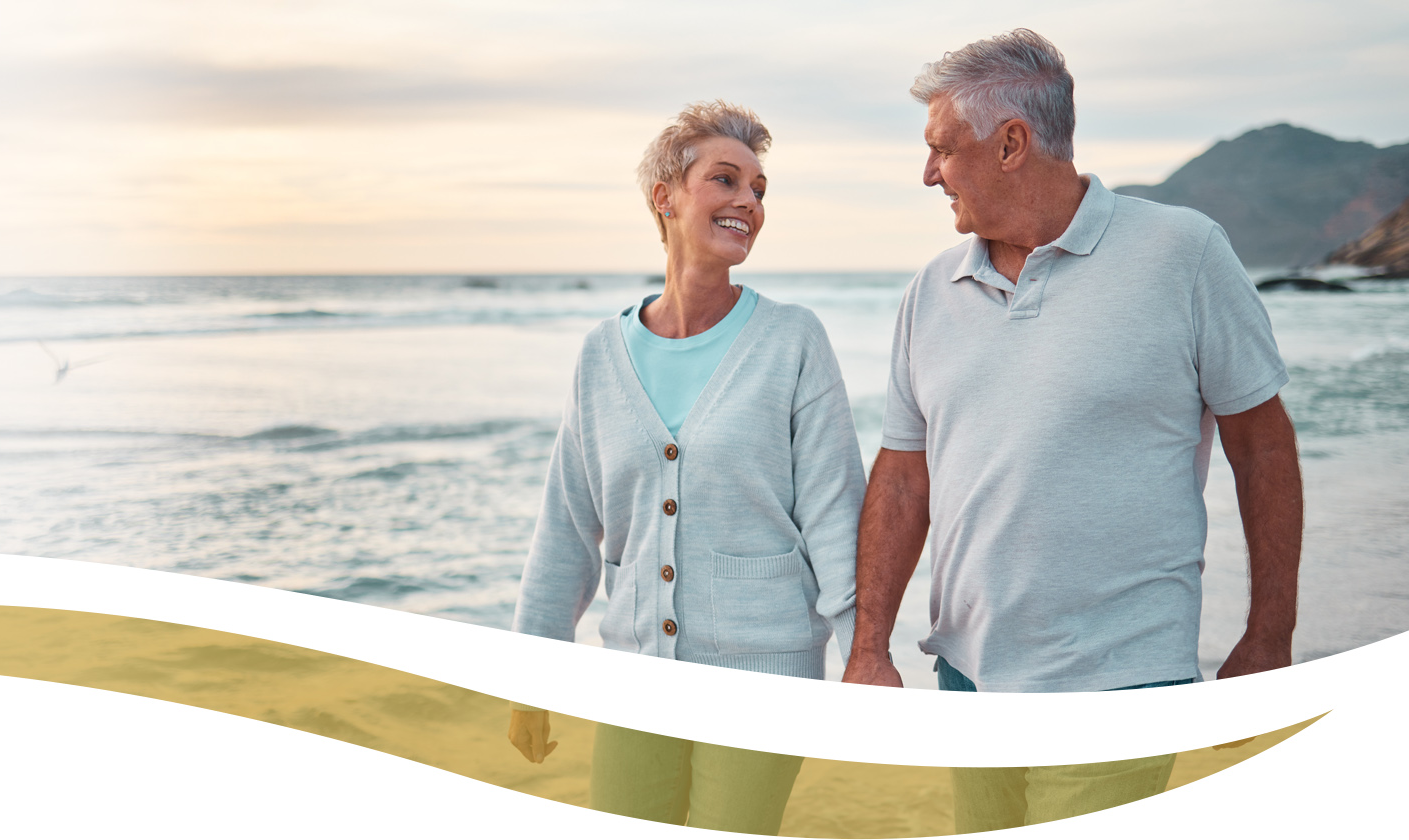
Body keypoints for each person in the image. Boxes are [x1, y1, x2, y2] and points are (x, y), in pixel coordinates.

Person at [841, 30, 1304, 831]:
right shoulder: (931, 291)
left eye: (941, 150)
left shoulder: (1182, 253)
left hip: (1124, 680)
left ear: (1011, 143)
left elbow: (1262, 447)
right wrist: (870, 647)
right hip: (967, 678)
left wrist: (1269, 635)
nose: (928, 174)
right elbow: (904, 473)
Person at [507, 100, 866, 835]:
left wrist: (867, 655)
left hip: (766, 675)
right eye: (725, 180)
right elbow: (569, 526)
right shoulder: (601, 357)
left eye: (759, 189)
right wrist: (530, 672)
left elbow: (835, 513)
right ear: (664, 197)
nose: (747, 202)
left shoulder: (793, 340)